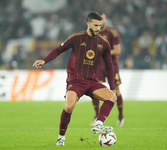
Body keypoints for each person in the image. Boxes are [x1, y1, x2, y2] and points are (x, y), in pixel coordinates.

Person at [32, 11, 117, 146]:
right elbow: (59, 49)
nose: (98, 29)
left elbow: (109, 66)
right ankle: (61, 137)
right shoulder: (77, 38)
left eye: (100, 26)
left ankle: (99, 123)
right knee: (69, 107)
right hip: (75, 81)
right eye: (95, 25)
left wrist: (112, 86)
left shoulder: (104, 43)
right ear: (88, 23)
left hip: (92, 81)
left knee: (112, 97)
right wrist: (44, 61)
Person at [90, 13, 124, 127]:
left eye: (102, 18)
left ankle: (120, 116)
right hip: (98, 65)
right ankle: (96, 116)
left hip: (111, 65)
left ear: (105, 20)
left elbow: (117, 50)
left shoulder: (112, 32)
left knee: (116, 91)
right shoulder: (92, 33)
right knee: (94, 89)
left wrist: (103, 52)